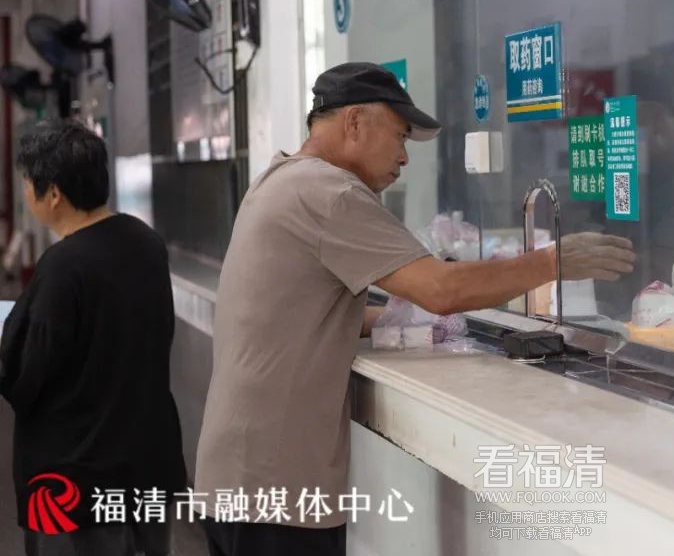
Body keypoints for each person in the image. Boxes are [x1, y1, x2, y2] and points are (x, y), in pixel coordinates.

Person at [196, 62, 636, 556]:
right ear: (355, 122)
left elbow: (298, 310)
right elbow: (440, 289)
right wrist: (551, 261)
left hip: (237, 475)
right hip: (275, 489)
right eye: (401, 136)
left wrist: (396, 321)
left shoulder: (279, 179)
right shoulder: (330, 192)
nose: (404, 157)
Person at [0, 121, 186, 556]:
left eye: (27, 182)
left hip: (76, 484)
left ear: (53, 193)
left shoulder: (63, 265)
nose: (25, 193)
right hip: (147, 465)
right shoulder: (147, 243)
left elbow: (24, 375)